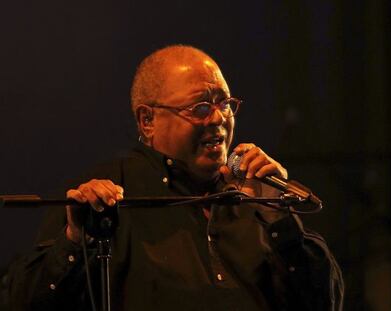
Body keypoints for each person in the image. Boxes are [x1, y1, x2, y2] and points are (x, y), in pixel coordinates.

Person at [7, 45, 344, 310]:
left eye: (224, 104)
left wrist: (279, 217)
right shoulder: (106, 196)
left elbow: (324, 302)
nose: (218, 119)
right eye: (200, 108)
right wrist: (74, 239)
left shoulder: (256, 196)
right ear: (147, 121)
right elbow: (26, 302)